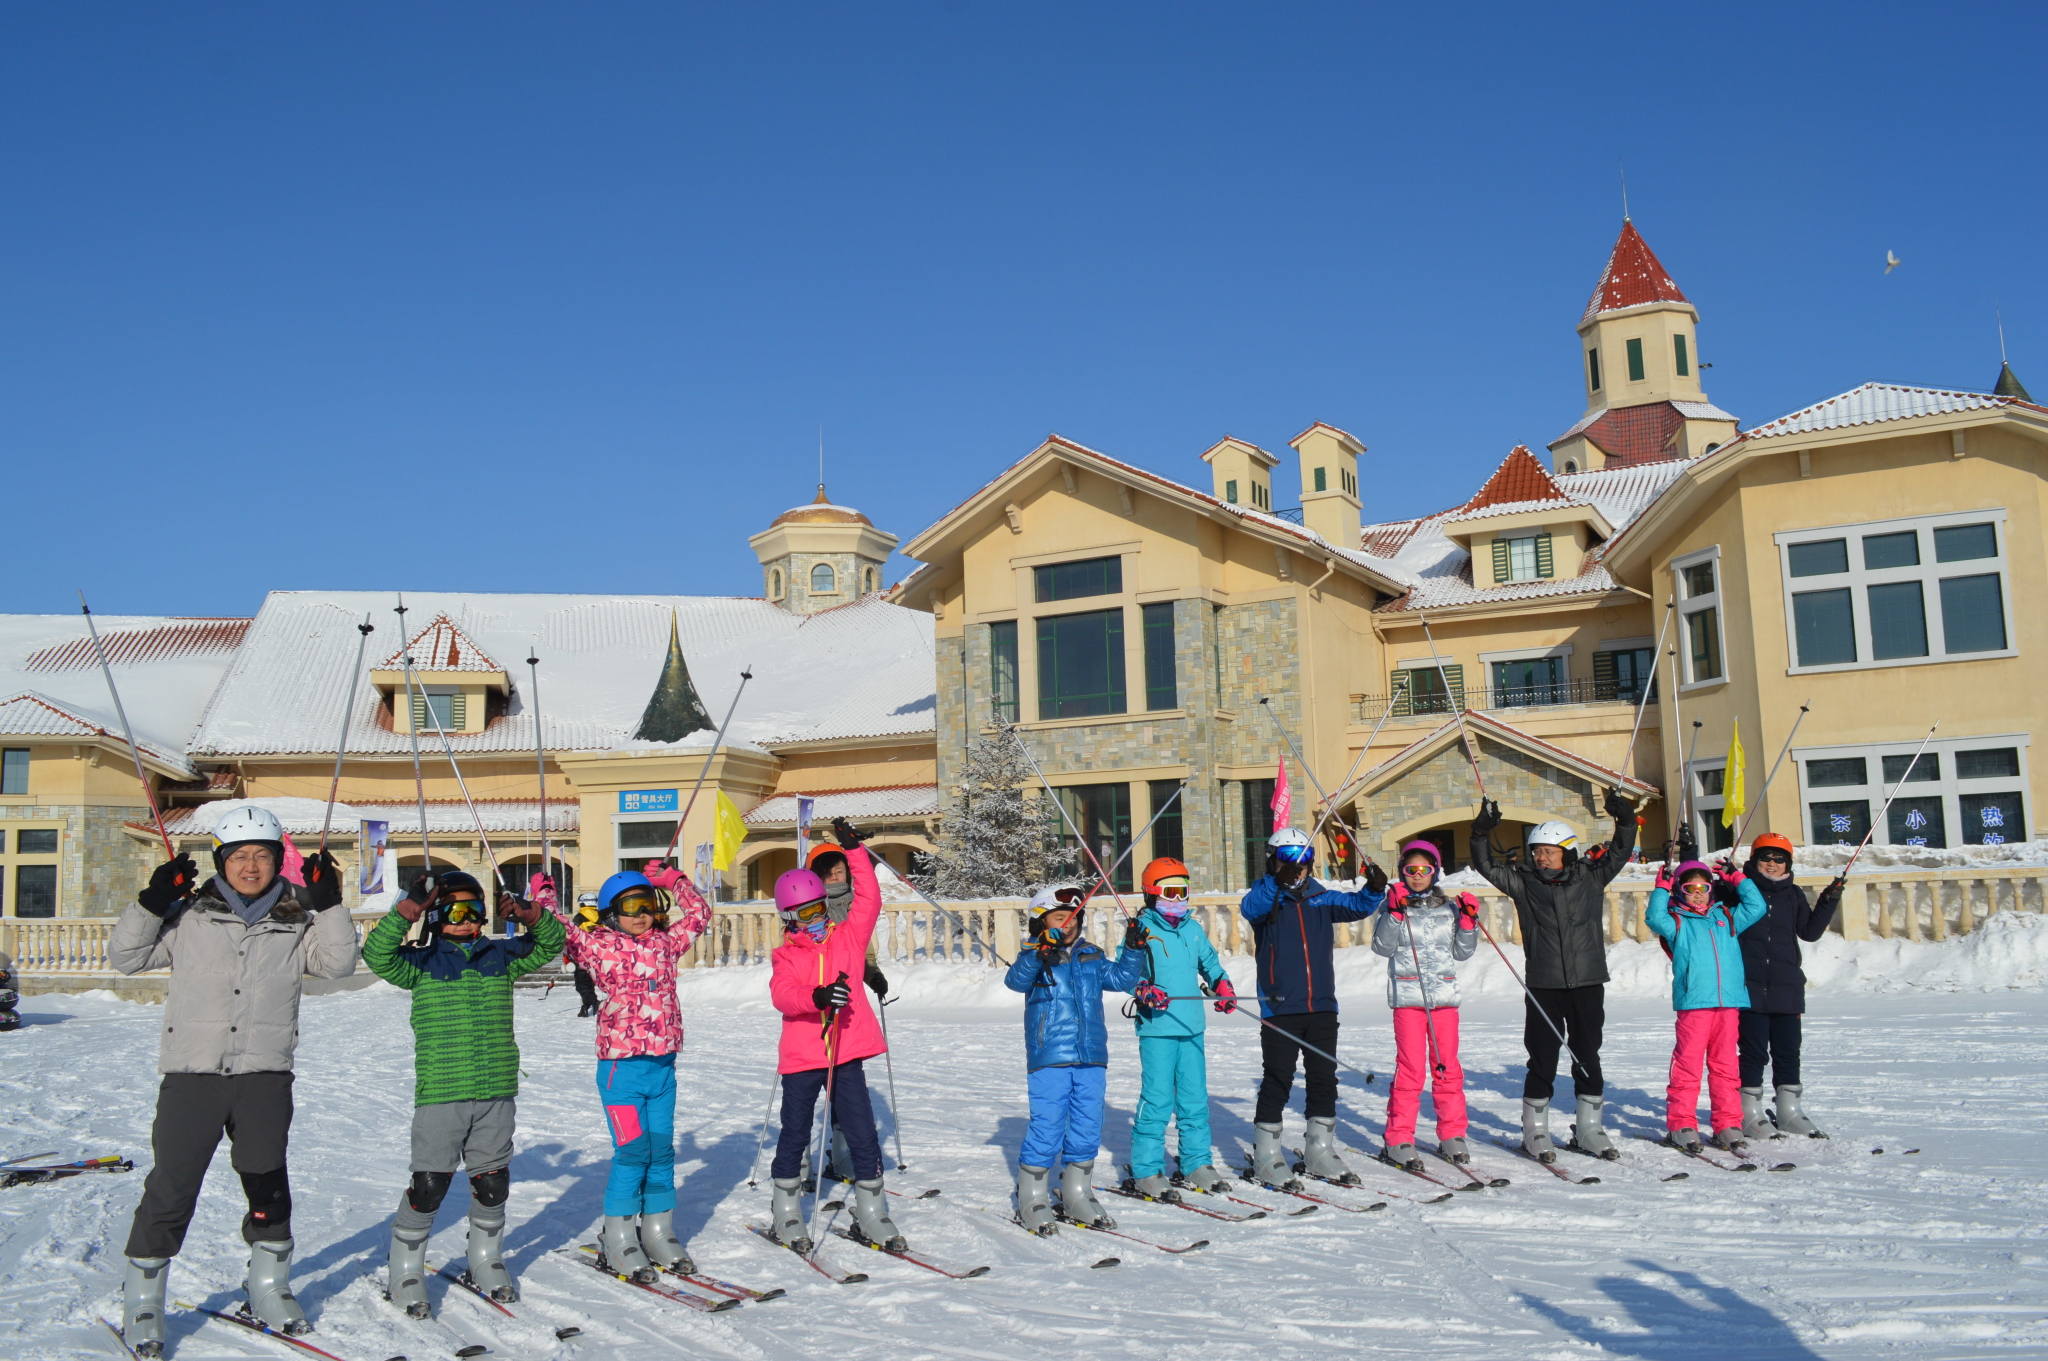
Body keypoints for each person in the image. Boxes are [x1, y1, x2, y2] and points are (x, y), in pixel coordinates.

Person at [109, 805, 358, 1355]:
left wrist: (332, 905)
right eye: (240, 856)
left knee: (266, 1180)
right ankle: (144, 1299)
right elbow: (126, 957)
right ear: (222, 861)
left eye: (262, 856)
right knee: (172, 1184)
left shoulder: (295, 920)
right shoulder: (189, 917)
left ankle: (268, 1284)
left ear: (278, 862)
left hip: (263, 1074)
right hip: (193, 1073)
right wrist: (152, 905)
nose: (251, 866)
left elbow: (339, 964)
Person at [362, 869, 565, 1317]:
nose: (464, 919)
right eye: (453, 910)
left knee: (492, 1183)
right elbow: (376, 955)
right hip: (442, 1092)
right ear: (435, 916)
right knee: (430, 1185)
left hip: (495, 1090)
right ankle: (406, 1268)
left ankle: (486, 1257)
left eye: (473, 910)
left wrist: (533, 914)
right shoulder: (420, 962)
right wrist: (406, 912)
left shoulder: (502, 954)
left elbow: (552, 945)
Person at [560, 866, 714, 1282]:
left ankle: (658, 1228)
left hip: (662, 1066)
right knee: (632, 1153)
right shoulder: (599, 946)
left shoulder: (665, 943)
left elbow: (700, 914)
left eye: (648, 904)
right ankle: (619, 1234)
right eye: (631, 906)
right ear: (612, 913)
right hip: (620, 1070)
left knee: (661, 1151)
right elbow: (560, 933)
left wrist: (673, 880)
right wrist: (536, 903)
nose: (642, 913)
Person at [1469, 790, 1637, 1162]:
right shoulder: (1523, 882)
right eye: (1536, 851)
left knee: (1587, 1054)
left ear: (1568, 851)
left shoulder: (1591, 879)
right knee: (1543, 1057)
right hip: (1544, 984)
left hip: (1588, 982)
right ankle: (1536, 1131)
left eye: (1548, 850)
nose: (1540, 857)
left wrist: (1625, 820)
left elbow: (1621, 852)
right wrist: (1480, 834)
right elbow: (1486, 867)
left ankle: (1589, 1128)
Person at [766, 820, 904, 1253]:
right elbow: (783, 996)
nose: (817, 918)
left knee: (862, 1131)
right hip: (804, 1056)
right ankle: (786, 1210)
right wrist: (817, 996)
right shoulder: (786, 956)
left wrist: (855, 852)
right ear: (790, 916)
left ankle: (872, 1210)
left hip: (846, 1051)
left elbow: (870, 899)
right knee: (795, 1130)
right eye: (806, 912)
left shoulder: (846, 937)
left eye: (820, 907)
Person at [1238, 827, 1386, 1188]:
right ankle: (1267, 1155)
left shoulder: (1321, 898)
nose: (1297, 866)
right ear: (1273, 861)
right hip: (1280, 1007)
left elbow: (1359, 906)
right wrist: (1277, 882)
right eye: (1288, 858)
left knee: (1323, 1080)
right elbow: (1249, 908)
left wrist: (1375, 887)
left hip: (1321, 1005)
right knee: (1278, 1079)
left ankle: (1320, 1150)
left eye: (1303, 858)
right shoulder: (1266, 897)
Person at [1003, 885, 1146, 1233]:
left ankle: (1077, 1190)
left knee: (1087, 1124)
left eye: (1073, 918)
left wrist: (1133, 947)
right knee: (1048, 1124)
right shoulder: (1035, 956)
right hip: (1049, 1056)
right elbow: (1015, 981)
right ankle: (1032, 1194)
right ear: (1041, 922)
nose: (1067, 924)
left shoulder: (1091, 956)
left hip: (1091, 1054)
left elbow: (1123, 978)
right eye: (1058, 917)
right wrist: (1040, 952)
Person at [1123, 857, 1238, 1199]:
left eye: (1183, 891)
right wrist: (1143, 989)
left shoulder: (1192, 929)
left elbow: (1210, 964)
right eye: (1170, 892)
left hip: (1191, 1026)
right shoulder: (1141, 930)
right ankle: (1146, 1168)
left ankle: (1195, 1162)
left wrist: (1223, 986)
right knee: (1158, 1099)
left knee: (1193, 1099)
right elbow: (1126, 974)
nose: (1178, 899)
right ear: (1151, 893)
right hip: (1157, 1028)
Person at [1371, 841, 1479, 1171]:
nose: (1417, 876)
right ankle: (1398, 1138)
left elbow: (1462, 953)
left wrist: (1468, 923)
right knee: (1411, 1069)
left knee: (1446, 1067)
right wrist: (1392, 914)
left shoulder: (1450, 907)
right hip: (1408, 1001)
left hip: (1443, 1000)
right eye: (1410, 870)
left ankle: (1452, 1133)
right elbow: (1381, 947)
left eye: (1425, 870)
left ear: (1435, 871)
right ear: (1402, 871)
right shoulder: (1394, 904)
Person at [1646, 859, 1766, 1151]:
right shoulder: (1676, 921)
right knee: (1688, 1065)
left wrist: (1737, 878)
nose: (1698, 893)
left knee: (1726, 1066)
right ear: (1680, 890)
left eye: (1704, 887)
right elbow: (1653, 918)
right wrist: (1661, 888)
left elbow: (1757, 907)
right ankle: (1681, 1123)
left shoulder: (1726, 917)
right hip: (1695, 1003)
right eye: (1690, 888)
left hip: (1728, 1003)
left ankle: (1727, 1124)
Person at [1734, 833, 1844, 1139]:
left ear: (1788, 863)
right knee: (1754, 1052)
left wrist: (1828, 901)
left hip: (1786, 986)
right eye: (1765, 857)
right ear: (1754, 860)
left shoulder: (1793, 894)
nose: (1772, 863)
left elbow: (1808, 932)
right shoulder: (1740, 890)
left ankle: (1789, 1112)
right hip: (1749, 986)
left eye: (1779, 858)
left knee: (1787, 1052)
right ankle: (1750, 1114)